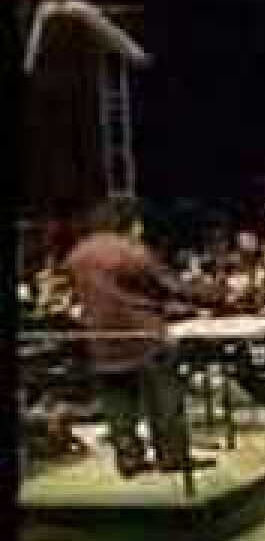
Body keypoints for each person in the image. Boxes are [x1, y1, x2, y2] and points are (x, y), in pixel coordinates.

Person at [63, 198, 219, 477]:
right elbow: (169, 285)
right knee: (165, 399)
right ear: (130, 222)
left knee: (117, 402)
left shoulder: (77, 255)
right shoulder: (132, 252)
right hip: (145, 335)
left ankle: (129, 459)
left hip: (101, 338)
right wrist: (215, 295)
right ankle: (172, 457)